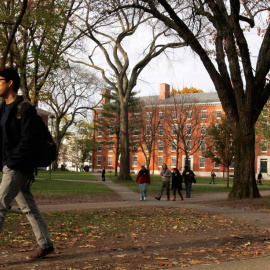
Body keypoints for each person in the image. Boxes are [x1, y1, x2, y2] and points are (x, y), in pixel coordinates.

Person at [0, 68, 54, 259]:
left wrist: (13, 162)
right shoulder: (3, 109)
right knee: (29, 208)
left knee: (0, 205)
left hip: (17, 167)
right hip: (11, 166)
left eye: (0, 80)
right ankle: (46, 244)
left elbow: (28, 140)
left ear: (10, 83)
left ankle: (46, 244)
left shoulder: (25, 108)